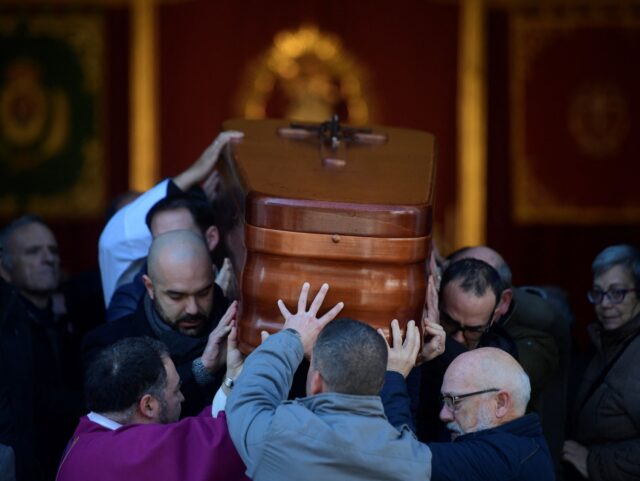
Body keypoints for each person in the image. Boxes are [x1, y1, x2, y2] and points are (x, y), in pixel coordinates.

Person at [226, 283, 433, 481]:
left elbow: (249, 397)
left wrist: (293, 336)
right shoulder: (416, 462)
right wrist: (396, 377)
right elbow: (404, 437)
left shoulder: (278, 437)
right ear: (381, 385)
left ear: (316, 381)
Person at [83, 230, 232, 417]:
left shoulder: (239, 328)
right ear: (150, 287)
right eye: (176, 296)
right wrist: (202, 369)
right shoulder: (109, 346)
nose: (193, 308)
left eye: (203, 293)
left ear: (213, 276)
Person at [56, 336, 249, 481]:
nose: (182, 397)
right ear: (148, 405)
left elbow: (205, 432)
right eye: (176, 390)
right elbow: (226, 440)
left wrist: (230, 380)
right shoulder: (133, 454)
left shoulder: (85, 440)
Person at [382, 325, 555, 481]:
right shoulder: (518, 447)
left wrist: (393, 375)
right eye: (445, 401)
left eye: (454, 401)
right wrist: (412, 366)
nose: (444, 414)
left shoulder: (503, 457)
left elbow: (401, 458)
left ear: (500, 403)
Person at [98, 130, 243, 307]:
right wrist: (193, 173)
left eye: (181, 236)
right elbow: (114, 239)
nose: (170, 246)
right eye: (159, 240)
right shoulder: (129, 300)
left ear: (211, 238)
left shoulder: (230, 275)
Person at [0, 216, 84, 481]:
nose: (48, 258)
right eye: (33, 251)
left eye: (53, 251)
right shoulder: (5, 328)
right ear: (5, 266)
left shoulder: (76, 316)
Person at [563, 244, 640, 481]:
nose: (605, 304)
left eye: (617, 293)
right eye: (597, 293)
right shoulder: (601, 344)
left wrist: (594, 462)